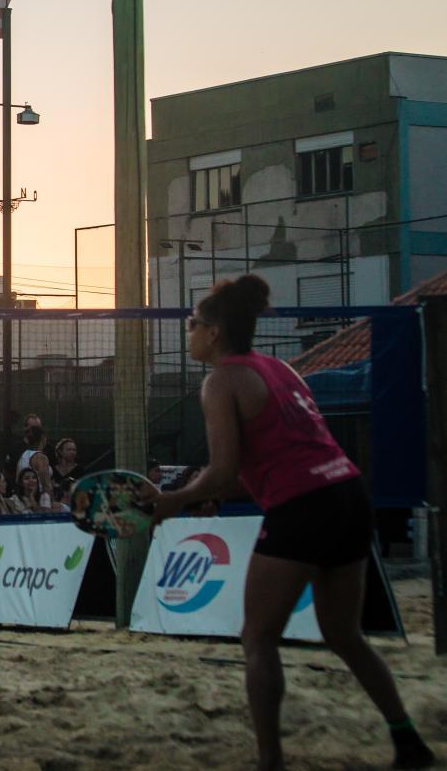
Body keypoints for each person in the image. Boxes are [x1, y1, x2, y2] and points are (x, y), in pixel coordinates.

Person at [143, 274, 434, 771]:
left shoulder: (221, 381)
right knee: (345, 636)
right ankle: (407, 740)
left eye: (192, 323)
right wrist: (207, 493)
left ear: (214, 332)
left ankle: (270, 760)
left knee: (258, 638)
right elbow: (265, 462)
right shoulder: (281, 369)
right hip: (348, 494)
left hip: (304, 506)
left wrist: (175, 500)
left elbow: (224, 469)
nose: (187, 331)